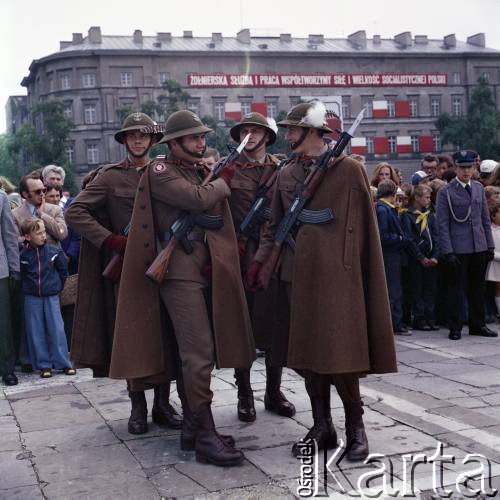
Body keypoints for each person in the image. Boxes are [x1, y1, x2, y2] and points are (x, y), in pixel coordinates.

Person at [248, 101, 397, 462]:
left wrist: (357, 273)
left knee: (340, 357)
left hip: (337, 279)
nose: (287, 135)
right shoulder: (286, 173)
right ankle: (321, 426)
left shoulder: (347, 170)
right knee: (307, 357)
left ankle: (355, 427)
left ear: (313, 131)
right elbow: (274, 225)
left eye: (293, 129)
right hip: (296, 275)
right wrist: (260, 262)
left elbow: (364, 229)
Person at [113, 109, 255, 466]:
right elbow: (196, 200)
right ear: (173, 143)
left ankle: (193, 427)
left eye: (202, 137)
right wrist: (222, 181)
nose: (200, 142)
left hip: (201, 267)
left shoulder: (195, 170)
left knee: (200, 351)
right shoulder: (160, 170)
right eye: (192, 137)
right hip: (177, 270)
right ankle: (206, 436)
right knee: (198, 353)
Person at [65, 112, 182, 435]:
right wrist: (111, 240)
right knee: (131, 338)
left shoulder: (166, 173)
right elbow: (76, 211)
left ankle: (163, 404)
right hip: (127, 271)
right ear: (124, 141)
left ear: (153, 140)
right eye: (131, 136)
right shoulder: (111, 177)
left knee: (164, 337)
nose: (137, 140)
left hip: (163, 265)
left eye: (143, 135)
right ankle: (138, 407)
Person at [227, 112, 295, 423]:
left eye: (256, 131)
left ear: (267, 137)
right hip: (239, 255)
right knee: (242, 325)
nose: (250, 136)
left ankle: (273, 390)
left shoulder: (281, 169)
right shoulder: (229, 170)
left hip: (272, 255)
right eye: (245, 131)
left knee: (276, 324)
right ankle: (244, 393)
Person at [436, 150, 497, 340]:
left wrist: (489, 245)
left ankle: (477, 324)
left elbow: (485, 219)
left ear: (473, 168)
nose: (466, 171)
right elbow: (442, 224)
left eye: (469, 167)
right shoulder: (446, 192)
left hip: (478, 245)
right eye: (462, 167)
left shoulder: (478, 188)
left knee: (478, 288)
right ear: (456, 168)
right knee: (456, 290)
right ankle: (455, 326)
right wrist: (448, 251)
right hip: (458, 248)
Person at [19, 217, 76, 378]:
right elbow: (21, 275)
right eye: (38, 233)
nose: (43, 236)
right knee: (35, 330)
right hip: (31, 297)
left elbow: (63, 272)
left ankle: (63, 362)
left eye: (44, 232)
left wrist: (57, 287)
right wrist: (27, 289)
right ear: (28, 237)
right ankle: (44, 365)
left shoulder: (54, 251)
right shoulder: (23, 255)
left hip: (51, 296)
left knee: (57, 329)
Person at [401, 184, 440, 331]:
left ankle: (430, 317)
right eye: (426, 197)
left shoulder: (429, 214)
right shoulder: (408, 215)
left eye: (430, 197)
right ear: (416, 198)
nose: (429, 200)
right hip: (417, 260)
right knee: (417, 289)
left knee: (430, 289)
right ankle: (419, 318)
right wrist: (420, 257)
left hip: (432, 259)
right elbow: (409, 239)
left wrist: (436, 256)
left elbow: (436, 237)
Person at [376, 180, 409, 335]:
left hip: (393, 255)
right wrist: (400, 239)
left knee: (395, 290)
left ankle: (395, 322)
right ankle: (395, 324)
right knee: (393, 291)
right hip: (390, 255)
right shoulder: (383, 210)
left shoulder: (387, 208)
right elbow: (383, 236)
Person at [13, 174, 67, 247]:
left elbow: (62, 234)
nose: (42, 194)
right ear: (25, 194)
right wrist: (34, 239)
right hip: (27, 257)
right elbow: (14, 240)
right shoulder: (14, 214)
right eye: (38, 191)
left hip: (53, 257)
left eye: (44, 190)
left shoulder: (55, 209)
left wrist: (43, 215)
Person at [0, 190, 20, 386]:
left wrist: (15, 269)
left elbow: (9, 235)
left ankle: (7, 370)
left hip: (1, 271)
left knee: (3, 324)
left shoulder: (1, 198)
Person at [486, 203, 500, 318]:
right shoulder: (490, 230)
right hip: (494, 262)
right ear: (493, 216)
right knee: (497, 287)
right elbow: (489, 248)